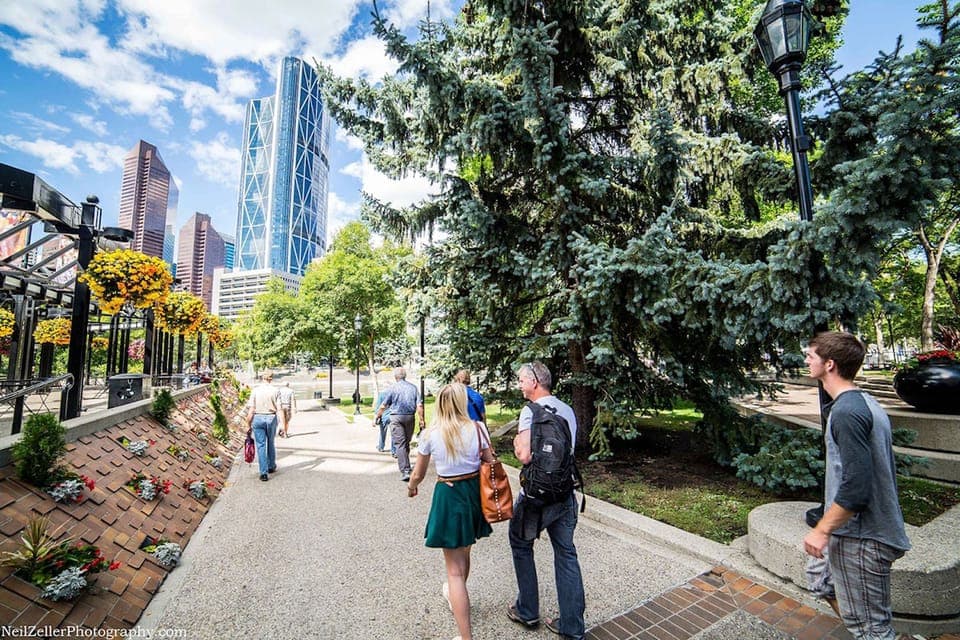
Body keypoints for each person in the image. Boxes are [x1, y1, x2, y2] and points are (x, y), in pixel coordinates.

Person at [801, 332, 911, 640]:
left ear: (830, 364)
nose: (807, 360)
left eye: (812, 356)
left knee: (873, 631)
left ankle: (861, 624)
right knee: (820, 580)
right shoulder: (859, 403)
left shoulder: (849, 412)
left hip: (864, 539)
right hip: (849, 533)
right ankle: (856, 617)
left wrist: (822, 529)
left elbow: (857, 487)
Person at [407, 383, 493, 640]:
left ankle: (466, 637)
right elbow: (489, 461)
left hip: (449, 494)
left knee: (453, 571)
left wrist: (411, 487)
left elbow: (418, 474)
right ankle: (459, 597)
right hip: (473, 494)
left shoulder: (431, 434)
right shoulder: (478, 429)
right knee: (465, 551)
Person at [507, 361, 585, 640]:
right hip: (564, 493)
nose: (519, 384)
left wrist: (518, 442)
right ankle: (572, 627)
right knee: (566, 554)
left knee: (520, 543)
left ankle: (527, 610)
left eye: (521, 380)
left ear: (535, 382)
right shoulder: (567, 410)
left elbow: (525, 456)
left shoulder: (529, 411)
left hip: (535, 498)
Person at [373, 367, 425, 481]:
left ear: (395, 377)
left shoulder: (393, 388)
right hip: (410, 418)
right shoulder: (413, 388)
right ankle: (406, 466)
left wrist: (378, 416)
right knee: (406, 442)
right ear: (404, 376)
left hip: (396, 418)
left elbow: (383, 405)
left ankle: (405, 470)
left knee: (400, 444)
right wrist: (421, 420)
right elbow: (419, 406)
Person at [245, 371, 285, 481]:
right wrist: (282, 425)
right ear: (271, 378)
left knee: (261, 445)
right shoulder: (276, 391)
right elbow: (280, 409)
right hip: (271, 418)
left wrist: (248, 424)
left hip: (258, 418)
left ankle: (263, 473)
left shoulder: (256, 390)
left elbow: (251, 410)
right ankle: (271, 466)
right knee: (270, 442)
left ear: (262, 378)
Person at [374, 390, 395, 455]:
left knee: (382, 433)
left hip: (384, 416)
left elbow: (378, 407)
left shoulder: (381, 395)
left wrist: (375, 417)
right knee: (393, 434)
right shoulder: (394, 394)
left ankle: (381, 447)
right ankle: (394, 450)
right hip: (392, 416)